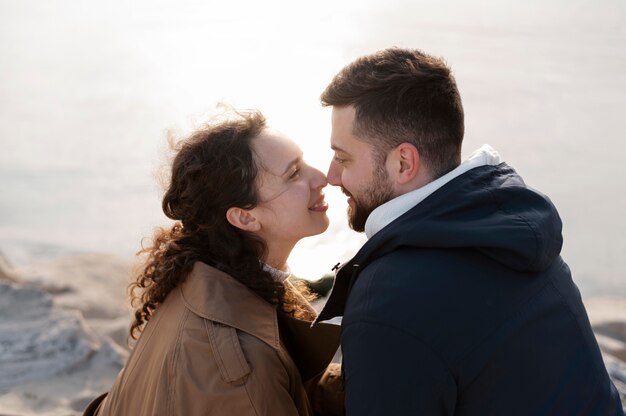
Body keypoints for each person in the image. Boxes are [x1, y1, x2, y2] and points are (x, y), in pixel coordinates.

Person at [313, 47, 624, 415]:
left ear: (403, 162)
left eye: (343, 158)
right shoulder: (516, 229)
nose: (331, 176)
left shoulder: (390, 300)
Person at [84, 110, 343, 416]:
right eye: (294, 173)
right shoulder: (238, 365)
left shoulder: (204, 277)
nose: (321, 177)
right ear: (244, 217)